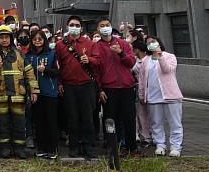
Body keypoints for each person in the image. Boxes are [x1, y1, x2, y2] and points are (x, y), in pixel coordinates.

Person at [0, 25, 39, 158]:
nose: (4, 40)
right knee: (2, 123)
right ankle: (5, 148)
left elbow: (29, 72)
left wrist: (34, 90)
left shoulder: (19, 53)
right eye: (1, 37)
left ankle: (19, 148)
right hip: (0, 94)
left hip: (17, 94)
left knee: (19, 122)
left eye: (6, 37)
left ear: (11, 38)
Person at [54, 15, 100, 159]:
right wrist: (60, 83)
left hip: (86, 85)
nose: (75, 27)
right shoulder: (61, 44)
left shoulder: (89, 43)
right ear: (67, 26)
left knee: (87, 117)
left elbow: (98, 61)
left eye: (77, 25)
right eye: (72, 24)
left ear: (81, 27)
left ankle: (89, 146)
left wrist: (90, 59)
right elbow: (57, 66)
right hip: (69, 85)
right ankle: (74, 146)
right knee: (72, 117)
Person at [93, 16, 137, 155]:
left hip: (126, 87)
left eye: (107, 24)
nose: (105, 27)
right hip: (109, 88)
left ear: (111, 26)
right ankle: (113, 145)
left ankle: (132, 147)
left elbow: (131, 62)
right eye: (102, 25)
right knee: (110, 118)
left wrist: (121, 53)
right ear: (98, 29)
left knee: (129, 118)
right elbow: (96, 70)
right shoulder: (96, 46)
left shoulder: (122, 43)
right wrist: (99, 89)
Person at [137, 38, 183, 157]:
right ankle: (160, 145)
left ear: (159, 42)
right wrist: (142, 94)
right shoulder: (145, 60)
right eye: (148, 42)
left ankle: (176, 146)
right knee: (156, 123)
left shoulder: (169, 56)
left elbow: (167, 69)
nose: (151, 44)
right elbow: (141, 80)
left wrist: (160, 55)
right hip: (153, 97)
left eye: (153, 41)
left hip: (171, 95)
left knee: (175, 123)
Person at [25, 30, 59, 159]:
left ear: (44, 40)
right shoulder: (28, 56)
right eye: (34, 39)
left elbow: (57, 71)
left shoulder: (52, 54)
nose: (37, 41)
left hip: (49, 93)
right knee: (38, 122)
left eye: (40, 39)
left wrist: (46, 70)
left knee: (50, 121)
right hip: (35, 94)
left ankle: (52, 149)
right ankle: (41, 148)